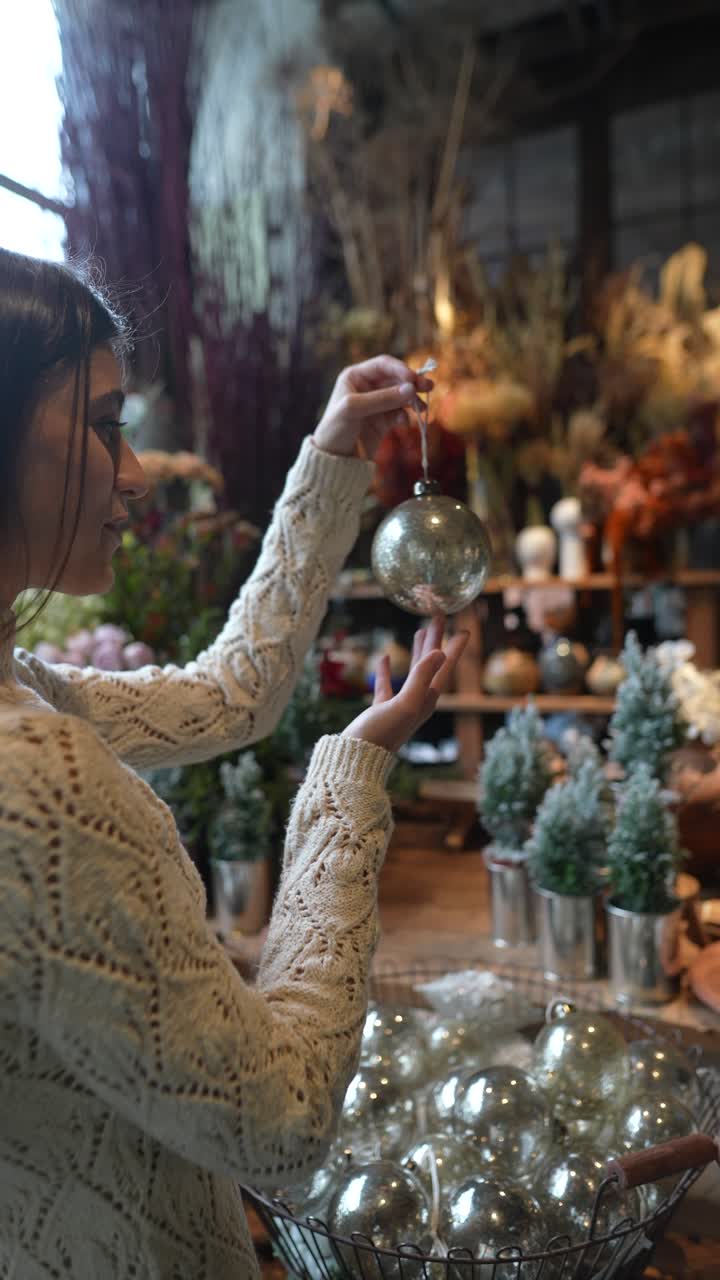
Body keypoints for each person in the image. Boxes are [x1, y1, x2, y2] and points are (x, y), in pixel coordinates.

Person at [0, 248, 468, 1279]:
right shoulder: (32, 782)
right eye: (102, 422)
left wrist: (332, 456)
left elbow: (227, 695)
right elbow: (287, 1124)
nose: (132, 470)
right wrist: (347, 784)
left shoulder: (27, 690)